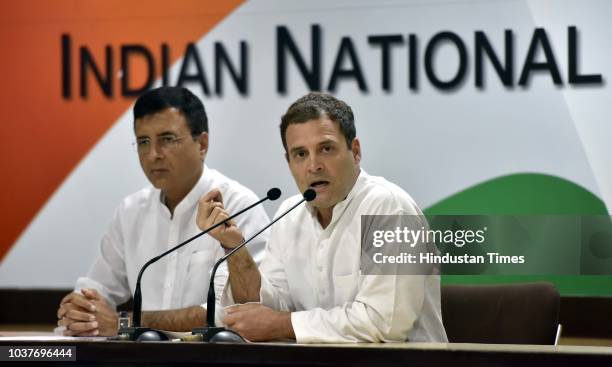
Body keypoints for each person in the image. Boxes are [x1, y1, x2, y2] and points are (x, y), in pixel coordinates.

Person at [197, 92, 447, 343]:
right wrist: (234, 247)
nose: (313, 165)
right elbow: (266, 306)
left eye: (326, 149)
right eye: (300, 154)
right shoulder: (289, 215)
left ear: (355, 151)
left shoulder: (390, 209)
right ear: (289, 162)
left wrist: (280, 324)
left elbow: (386, 323)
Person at [56, 86, 268, 337]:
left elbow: (227, 314)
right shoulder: (131, 211)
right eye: (143, 142)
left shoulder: (238, 205)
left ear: (202, 144)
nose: (153, 155)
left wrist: (122, 322)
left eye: (167, 139)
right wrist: (80, 309)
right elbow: (98, 286)